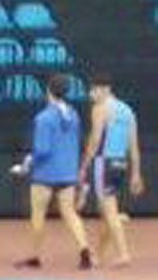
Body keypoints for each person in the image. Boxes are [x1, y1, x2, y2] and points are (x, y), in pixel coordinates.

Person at [12, 73, 90, 270]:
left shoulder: (44, 118)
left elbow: (43, 150)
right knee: (70, 213)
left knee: (38, 214)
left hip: (45, 174)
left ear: (48, 90)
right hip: (67, 173)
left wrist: (27, 164)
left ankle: (35, 256)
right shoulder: (73, 115)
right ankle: (84, 251)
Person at [79, 74, 143, 269]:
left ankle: (123, 254)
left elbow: (96, 138)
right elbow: (133, 145)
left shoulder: (100, 108)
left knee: (109, 211)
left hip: (104, 163)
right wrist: (135, 173)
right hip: (120, 164)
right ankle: (98, 255)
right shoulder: (128, 110)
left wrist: (84, 164)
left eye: (94, 90)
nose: (91, 94)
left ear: (105, 89)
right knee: (106, 211)